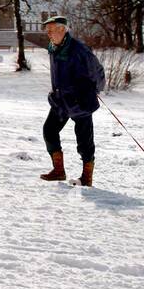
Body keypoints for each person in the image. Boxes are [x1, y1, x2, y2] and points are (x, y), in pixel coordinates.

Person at [38, 16, 105, 186]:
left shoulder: (79, 50)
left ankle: (87, 177)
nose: (49, 34)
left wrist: (93, 91)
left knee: (84, 141)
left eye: (51, 30)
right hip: (61, 100)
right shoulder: (53, 48)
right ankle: (59, 171)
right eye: (47, 31)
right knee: (49, 130)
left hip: (80, 101)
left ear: (62, 30)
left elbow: (97, 72)